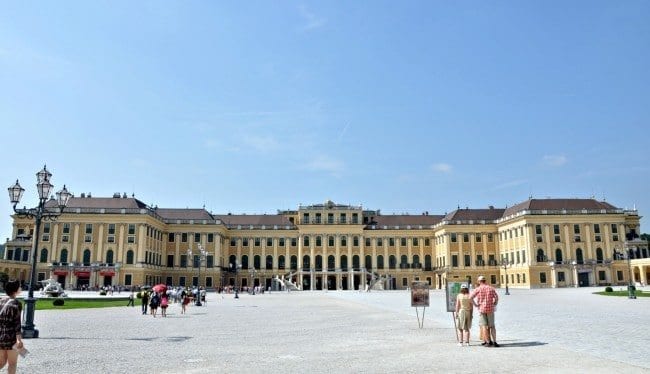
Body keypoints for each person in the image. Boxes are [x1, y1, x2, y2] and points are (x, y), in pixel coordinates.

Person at [0, 280, 25, 374]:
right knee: (12, 363)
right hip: (11, 337)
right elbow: (17, 323)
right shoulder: (16, 303)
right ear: (15, 290)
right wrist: (19, 340)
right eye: (19, 286)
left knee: (1, 362)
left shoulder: (1, 301)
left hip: (0, 336)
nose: (21, 288)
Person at [469, 275, 500, 347]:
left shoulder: (478, 289)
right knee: (492, 326)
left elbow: (470, 297)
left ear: (479, 282)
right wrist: (495, 303)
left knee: (484, 326)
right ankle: (494, 342)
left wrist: (476, 305)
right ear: (485, 281)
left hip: (482, 309)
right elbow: (496, 298)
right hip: (490, 309)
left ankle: (488, 341)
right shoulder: (491, 288)